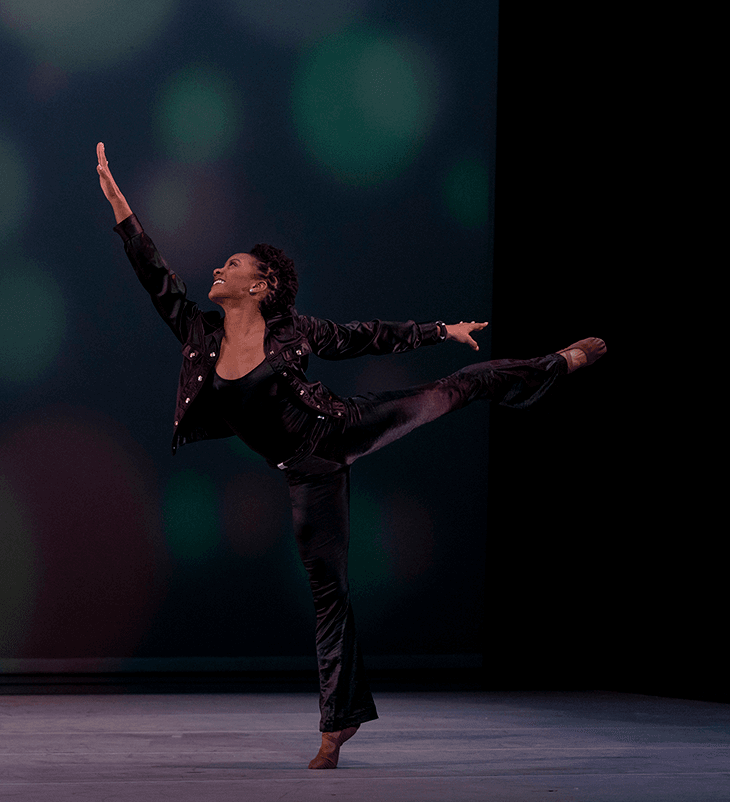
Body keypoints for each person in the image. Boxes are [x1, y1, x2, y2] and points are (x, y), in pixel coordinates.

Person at [94, 142, 603, 770]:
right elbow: (154, 274)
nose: (218, 271)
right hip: (305, 477)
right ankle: (338, 729)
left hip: (342, 430)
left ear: (262, 284)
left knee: (451, 389)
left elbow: (366, 335)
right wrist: (120, 204)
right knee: (328, 589)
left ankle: (558, 361)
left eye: (233, 264)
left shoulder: (295, 332)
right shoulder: (199, 335)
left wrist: (441, 332)